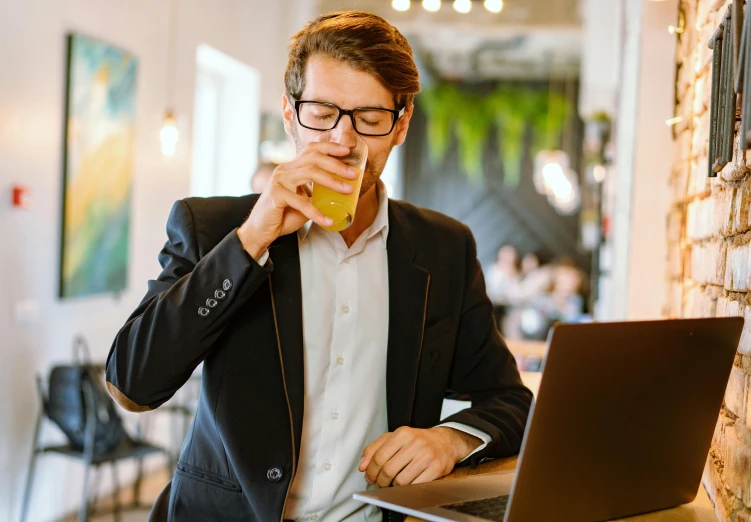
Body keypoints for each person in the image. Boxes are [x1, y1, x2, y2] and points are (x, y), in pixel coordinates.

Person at [105, 11, 532, 522]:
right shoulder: (213, 226)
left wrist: (450, 439)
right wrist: (249, 242)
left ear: (402, 124)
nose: (343, 142)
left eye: (370, 119)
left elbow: (509, 400)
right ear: (289, 113)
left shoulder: (444, 248)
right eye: (321, 113)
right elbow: (131, 386)